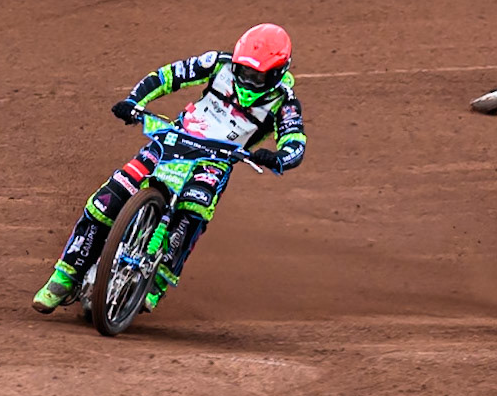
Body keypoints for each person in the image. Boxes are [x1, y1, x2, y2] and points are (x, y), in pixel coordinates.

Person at [32, 23, 307, 314]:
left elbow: (296, 143)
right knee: (108, 199)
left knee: (193, 210)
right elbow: (168, 76)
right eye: (243, 71)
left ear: (277, 73)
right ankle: (64, 277)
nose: (246, 79)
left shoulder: (285, 104)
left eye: (256, 75)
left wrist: (277, 158)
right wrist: (134, 101)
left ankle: (157, 283)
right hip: (173, 138)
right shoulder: (218, 63)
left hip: (214, 161)